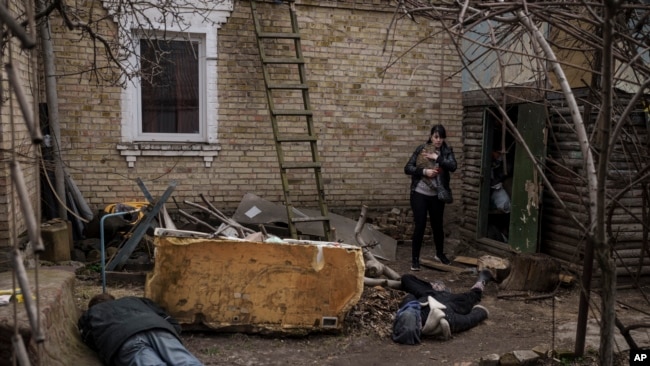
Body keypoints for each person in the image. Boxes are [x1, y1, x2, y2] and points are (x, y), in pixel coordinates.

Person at [78, 293, 203, 366]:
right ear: (113, 299)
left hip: (123, 340)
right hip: (157, 328)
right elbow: (170, 320)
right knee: (185, 362)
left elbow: (90, 339)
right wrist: (170, 332)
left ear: (92, 306)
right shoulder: (136, 300)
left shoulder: (92, 313)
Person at [404, 124, 457, 269]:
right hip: (419, 193)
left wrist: (438, 158)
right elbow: (408, 168)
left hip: (437, 195)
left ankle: (439, 254)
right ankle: (415, 259)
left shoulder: (446, 151)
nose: (438, 140)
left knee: (437, 226)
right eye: (436, 137)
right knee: (420, 225)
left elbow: (453, 166)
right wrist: (424, 172)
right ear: (431, 136)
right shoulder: (421, 149)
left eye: (441, 137)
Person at [391, 270, 493, 345]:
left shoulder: (408, 308)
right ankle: (481, 283)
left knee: (406, 278)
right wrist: (481, 312)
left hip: (429, 293)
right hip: (455, 302)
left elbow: (410, 297)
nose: (410, 310)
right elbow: (467, 320)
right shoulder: (443, 318)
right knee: (472, 296)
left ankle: (436, 286)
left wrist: (429, 289)